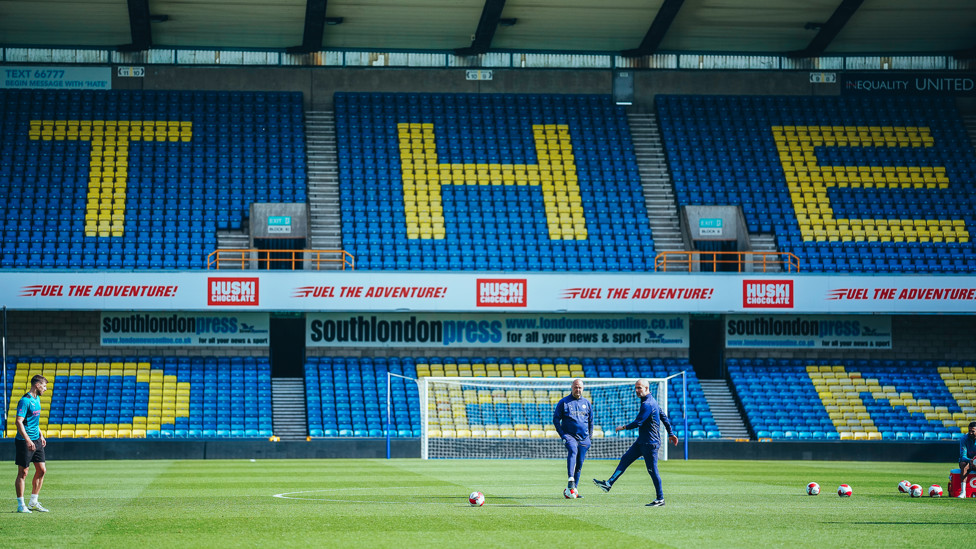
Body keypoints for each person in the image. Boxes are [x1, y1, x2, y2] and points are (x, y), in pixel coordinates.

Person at [593, 378, 679, 507]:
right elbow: (664, 417)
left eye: (640, 388)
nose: (637, 391)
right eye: (636, 388)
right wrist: (671, 433)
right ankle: (609, 483)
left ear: (646, 388)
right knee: (625, 459)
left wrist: (623, 427)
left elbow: (638, 422)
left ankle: (660, 499)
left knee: (652, 471)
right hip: (642, 442)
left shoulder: (648, 404)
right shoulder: (651, 401)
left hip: (650, 443)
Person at [552, 378, 593, 497]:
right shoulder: (564, 402)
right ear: (571, 387)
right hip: (569, 436)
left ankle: (574, 490)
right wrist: (562, 435)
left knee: (579, 464)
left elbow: (591, 421)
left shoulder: (587, 403)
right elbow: (555, 419)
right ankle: (571, 478)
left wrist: (589, 438)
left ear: (583, 389)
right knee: (573, 450)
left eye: (580, 387)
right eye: (576, 387)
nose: (578, 389)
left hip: (584, 438)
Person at [14, 374, 49, 513]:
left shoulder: (37, 399)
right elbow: (19, 421)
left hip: (37, 439)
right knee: (23, 473)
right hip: (24, 441)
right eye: (44, 386)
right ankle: (21, 505)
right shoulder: (25, 400)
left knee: (42, 470)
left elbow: (33, 421)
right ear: (37, 385)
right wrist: (28, 440)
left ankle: (33, 501)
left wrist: (41, 434)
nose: (45, 389)